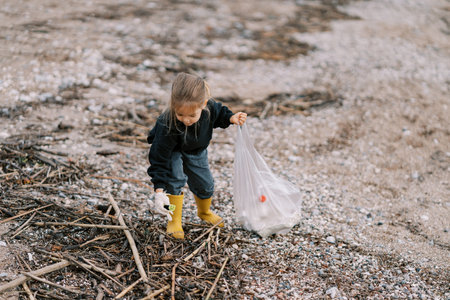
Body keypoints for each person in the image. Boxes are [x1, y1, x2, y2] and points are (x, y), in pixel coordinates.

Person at [147, 72, 247, 239]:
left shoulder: (210, 109)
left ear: (203, 104)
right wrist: (158, 189)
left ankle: (204, 211)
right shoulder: (167, 123)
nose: (186, 120)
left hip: (196, 150)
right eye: (180, 115)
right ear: (173, 106)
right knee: (174, 181)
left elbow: (221, 114)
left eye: (192, 115)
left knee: (205, 183)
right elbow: (159, 157)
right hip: (172, 152)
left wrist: (231, 117)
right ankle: (173, 219)